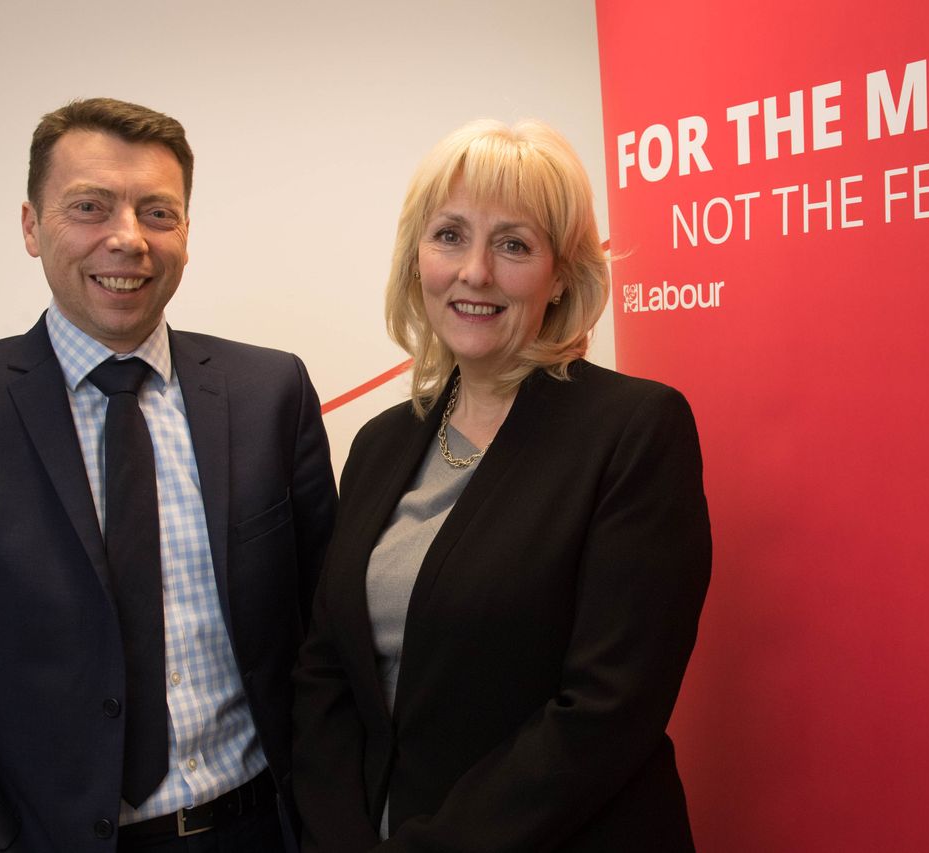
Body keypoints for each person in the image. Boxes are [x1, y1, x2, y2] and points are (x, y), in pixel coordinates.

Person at [0, 98, 337, 852]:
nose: (127, 239)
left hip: (258, 829)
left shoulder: (269, 392)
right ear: (30, 225)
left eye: (158, 212)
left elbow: (326, 637)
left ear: (185, 232)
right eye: (89, 207)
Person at [290, 118, 712, 852]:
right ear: (416, 256)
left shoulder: (635, 431)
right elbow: (328, 665)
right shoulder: (380, 442)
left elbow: (605, 711)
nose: (475, 272)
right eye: (450, 235)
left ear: (561, 276)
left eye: (513, 244)